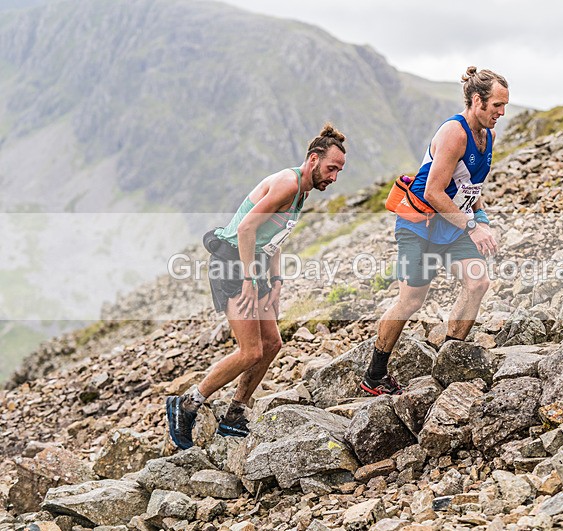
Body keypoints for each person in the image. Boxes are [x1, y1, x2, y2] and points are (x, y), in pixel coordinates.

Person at [167, 124, 347, 450]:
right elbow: (246, 229)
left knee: (272, 343)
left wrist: (275, 281)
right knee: (250, 350)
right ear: (312, 159)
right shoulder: (288, 183)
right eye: (331, 168)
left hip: (253, 265)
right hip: (232, 263)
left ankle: (236, 413)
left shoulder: (302, 192)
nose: (334, 177)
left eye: (339, 171)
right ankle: (187, 403)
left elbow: (273, 239)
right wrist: (251, 279)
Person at [361, 67, 509, 396]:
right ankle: (374, 374)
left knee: (478, 281)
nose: (501, 113)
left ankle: (448, 361)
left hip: (454, 224)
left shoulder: (489, 136)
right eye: (497, 105)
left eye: (505, 107)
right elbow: (433, 192)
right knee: (411, 300)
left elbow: (470, 185)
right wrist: (472, 226)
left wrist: (481, 217)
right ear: (477, 100)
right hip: (421, 225)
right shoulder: (454, 133)